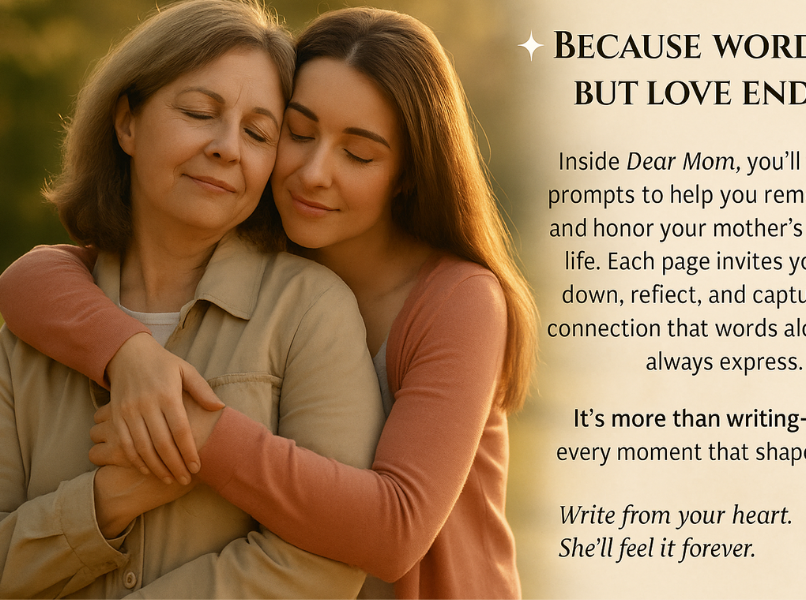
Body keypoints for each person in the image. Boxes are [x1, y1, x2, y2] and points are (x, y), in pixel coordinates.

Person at [0, 6, 538, 599]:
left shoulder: (457, 301)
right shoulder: (268, 248)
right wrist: (130, 356)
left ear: (408, 173)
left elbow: (394, 530)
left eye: (358, 154)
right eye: (297, 134)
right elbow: (31, 280)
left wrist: (198, 435)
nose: (311, 173)